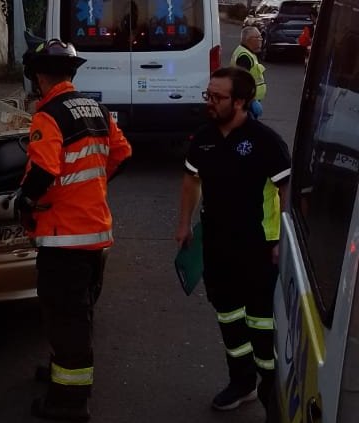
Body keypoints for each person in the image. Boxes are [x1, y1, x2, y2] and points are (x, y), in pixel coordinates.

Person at [19, 39, 132, 422]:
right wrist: (92, 187)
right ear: (72, 72)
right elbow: (121, 153)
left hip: (63, 236)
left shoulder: (49, 115)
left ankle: (69, 401)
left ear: (39, 76)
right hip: (94, 231)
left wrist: (25, 203)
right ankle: (61, 372)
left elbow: (45, 170)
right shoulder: (96, 108)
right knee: (77, 312)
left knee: (65, 317)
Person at [174, 67, 291, 421]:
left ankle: (273, 389)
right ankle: (241, 383)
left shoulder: (265, 141)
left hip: (257, 247)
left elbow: (288, 186)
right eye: (207, 94)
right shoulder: (204, 138)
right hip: (217, 247)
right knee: (228, 316)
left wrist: (283, 239)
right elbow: (191, 180)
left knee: (261, 322)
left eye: (217, 97)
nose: (209, 102)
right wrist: (184, 224)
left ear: (240, 102)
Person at [230, 26, 267, 118]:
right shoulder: (244, 56)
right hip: (248, 102)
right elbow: (241, 82)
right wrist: (251, 101)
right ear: (250, 40)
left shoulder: (247, 52)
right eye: (258, 37)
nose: (261, 39)